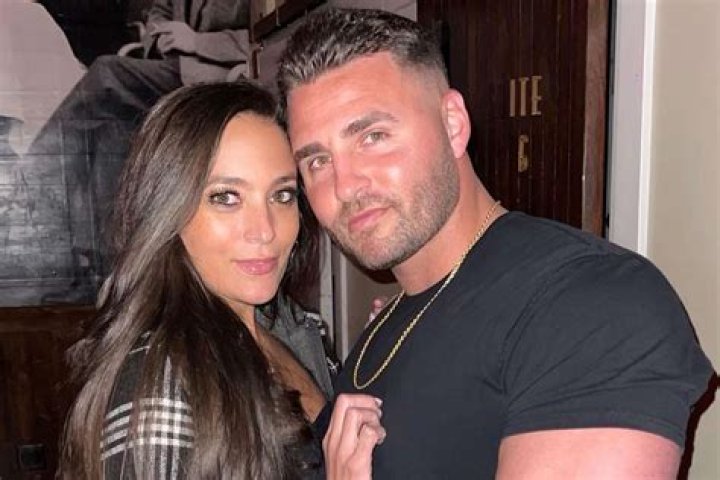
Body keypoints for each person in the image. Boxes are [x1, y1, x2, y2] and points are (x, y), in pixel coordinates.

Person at [277, 8, 715, 479]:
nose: (345, 186)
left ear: (453, 123)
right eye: (317, 161)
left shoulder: (593, 304)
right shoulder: (388, 327)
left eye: (373, 136)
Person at [59, 81, 332, 479]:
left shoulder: (288, 327)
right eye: (226, 197)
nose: (265, 230)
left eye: (282, 195)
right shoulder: (159, 384)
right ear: (169, 209)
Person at [27, 0, 251, 301]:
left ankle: (35, 172)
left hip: (217, 76)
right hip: (171, 69)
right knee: (112, 130)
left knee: (107, 73)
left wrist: (195, 41)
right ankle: (104, 268)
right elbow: (159, 9)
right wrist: (158, 34)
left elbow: (259, 36)